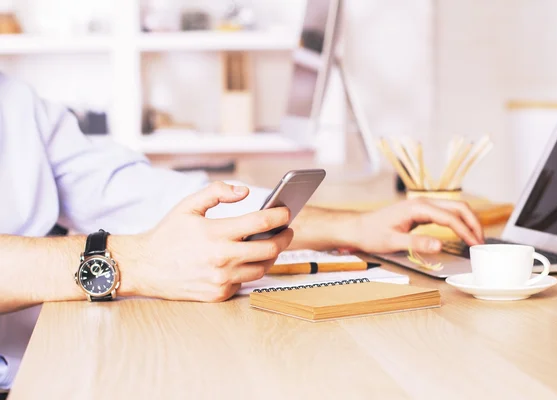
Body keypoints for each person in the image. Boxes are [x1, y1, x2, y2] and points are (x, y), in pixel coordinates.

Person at [0, 73, 483, 391]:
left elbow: (131, 193)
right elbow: (139, 247)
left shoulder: (15, 101)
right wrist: (138, 264)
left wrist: (350, 225)